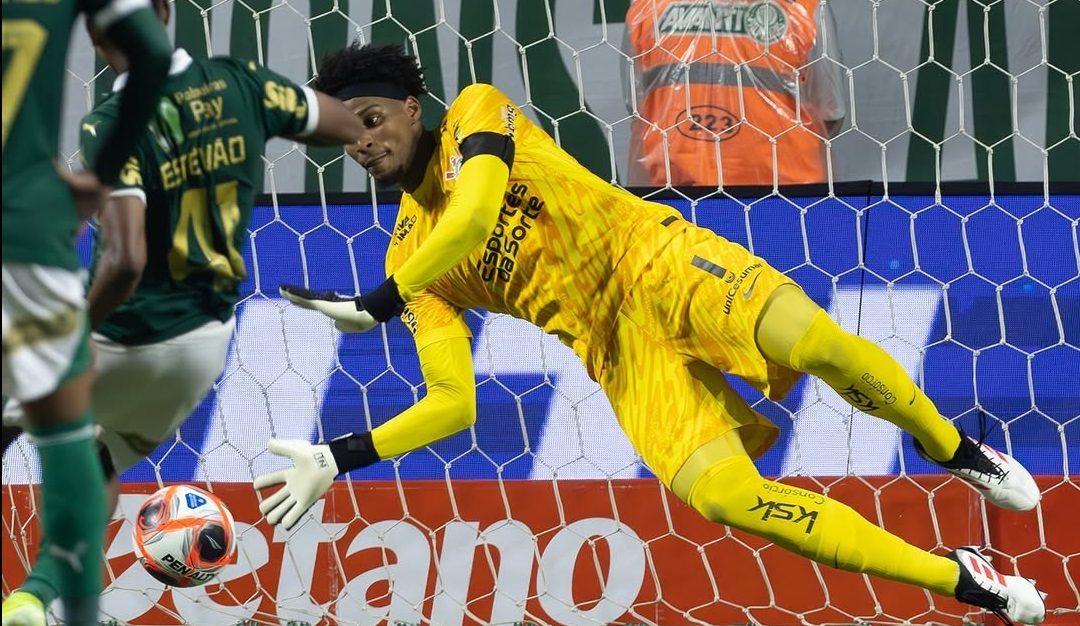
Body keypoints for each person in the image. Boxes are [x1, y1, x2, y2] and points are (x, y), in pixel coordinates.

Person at [255, 43, 1046, 624]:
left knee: (819, 344)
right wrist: (340, 455)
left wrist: (389, 296)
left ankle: (957, 452)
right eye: (345, 136)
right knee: (728, 500)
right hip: (616, 353)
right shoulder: (408, 251)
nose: (361, 141)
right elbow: (453, 405)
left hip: (661, 261)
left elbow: (473, 211)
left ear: (411, 109)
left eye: (371, 119)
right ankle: (963, 580)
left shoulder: (476, 113)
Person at [1, 1, 367, 622]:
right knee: (102, 459)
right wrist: (263, 113)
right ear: (166, 11)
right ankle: (37, 598)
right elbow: (340, 124)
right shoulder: (241, 82)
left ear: (91, 33)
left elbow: (123, 258)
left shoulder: (115, 120)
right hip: (202, 347)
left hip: (123, 333)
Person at [1, 0, 171, 622]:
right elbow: (150, 51)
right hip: (22, 233)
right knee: (76, 439)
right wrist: (100, 177)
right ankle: (58, 605)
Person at [622, 0, 846, 187]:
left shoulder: (647, 7)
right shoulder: (804, 7)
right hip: (785, 194)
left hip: (677, 193)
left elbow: (636, 107)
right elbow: (830, 112)